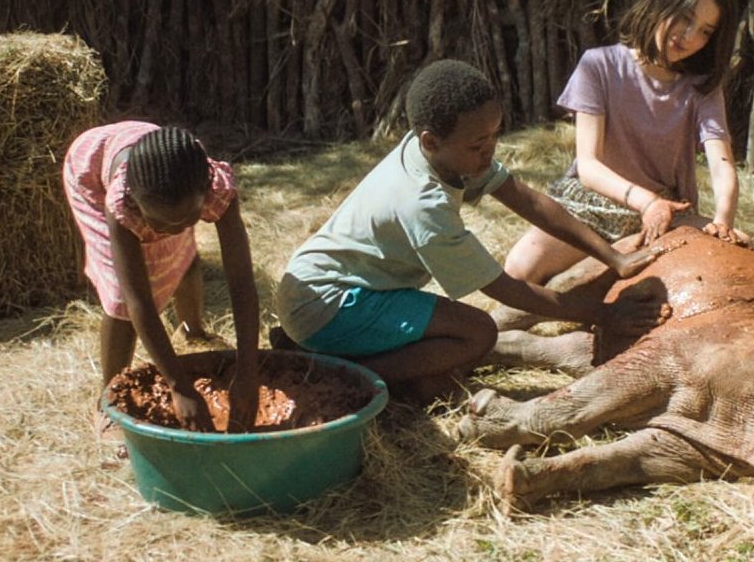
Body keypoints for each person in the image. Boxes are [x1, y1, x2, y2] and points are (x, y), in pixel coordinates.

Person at [274, 60, 668, 402]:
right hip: (328, 304)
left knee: (444, 364)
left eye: (496, 136)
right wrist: (603, 314)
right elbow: (505, 289)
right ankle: (338, 375)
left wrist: (613, 256)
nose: (490, 151)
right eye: (479, 144)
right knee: (477, 334)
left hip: (337, 289)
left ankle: (333, 355)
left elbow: (527, 200)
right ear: (431, 141)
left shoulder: (443, 154)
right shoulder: (423, 205)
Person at [504, 0, 753, 287]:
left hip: (667, 213)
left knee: (745, 253)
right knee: (518, 272)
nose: (688, 35)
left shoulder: (702, 88)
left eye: (705, 31)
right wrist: (644, 202)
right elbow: (589, 166)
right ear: (661, 0)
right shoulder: (599, 66)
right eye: (684, 16)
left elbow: (722, 163)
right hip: (590, 207)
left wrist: (722, 222)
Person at [63, 122, 260, 433]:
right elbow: (137, 300)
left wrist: (249, 372)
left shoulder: (213, 187)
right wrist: (178, 386)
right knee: (119, 299)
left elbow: (241, 281)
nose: (176, 228)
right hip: (91, 171)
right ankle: (109, 401)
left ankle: (193, 329)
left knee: (178, 254)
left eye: (190, 218)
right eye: (163, 222)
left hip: (160, 164)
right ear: (137, 204)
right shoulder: (120, 206)